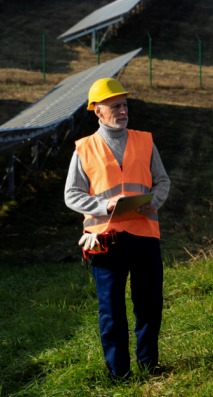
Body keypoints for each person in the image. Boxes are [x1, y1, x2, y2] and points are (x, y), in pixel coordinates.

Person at [64, 78, 171, 379]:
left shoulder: (145, 141)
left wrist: (156, 201)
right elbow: (72, 195)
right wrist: (105, 205)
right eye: (115, 106)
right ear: (97, 111)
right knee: (111, 310)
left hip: (144, 235)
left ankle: (149, 367)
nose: (123, 111)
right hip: (105, 239)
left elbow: (162, 181)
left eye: (124, 105)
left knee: (149, 304)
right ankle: (119, 374)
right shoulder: (84, 149)